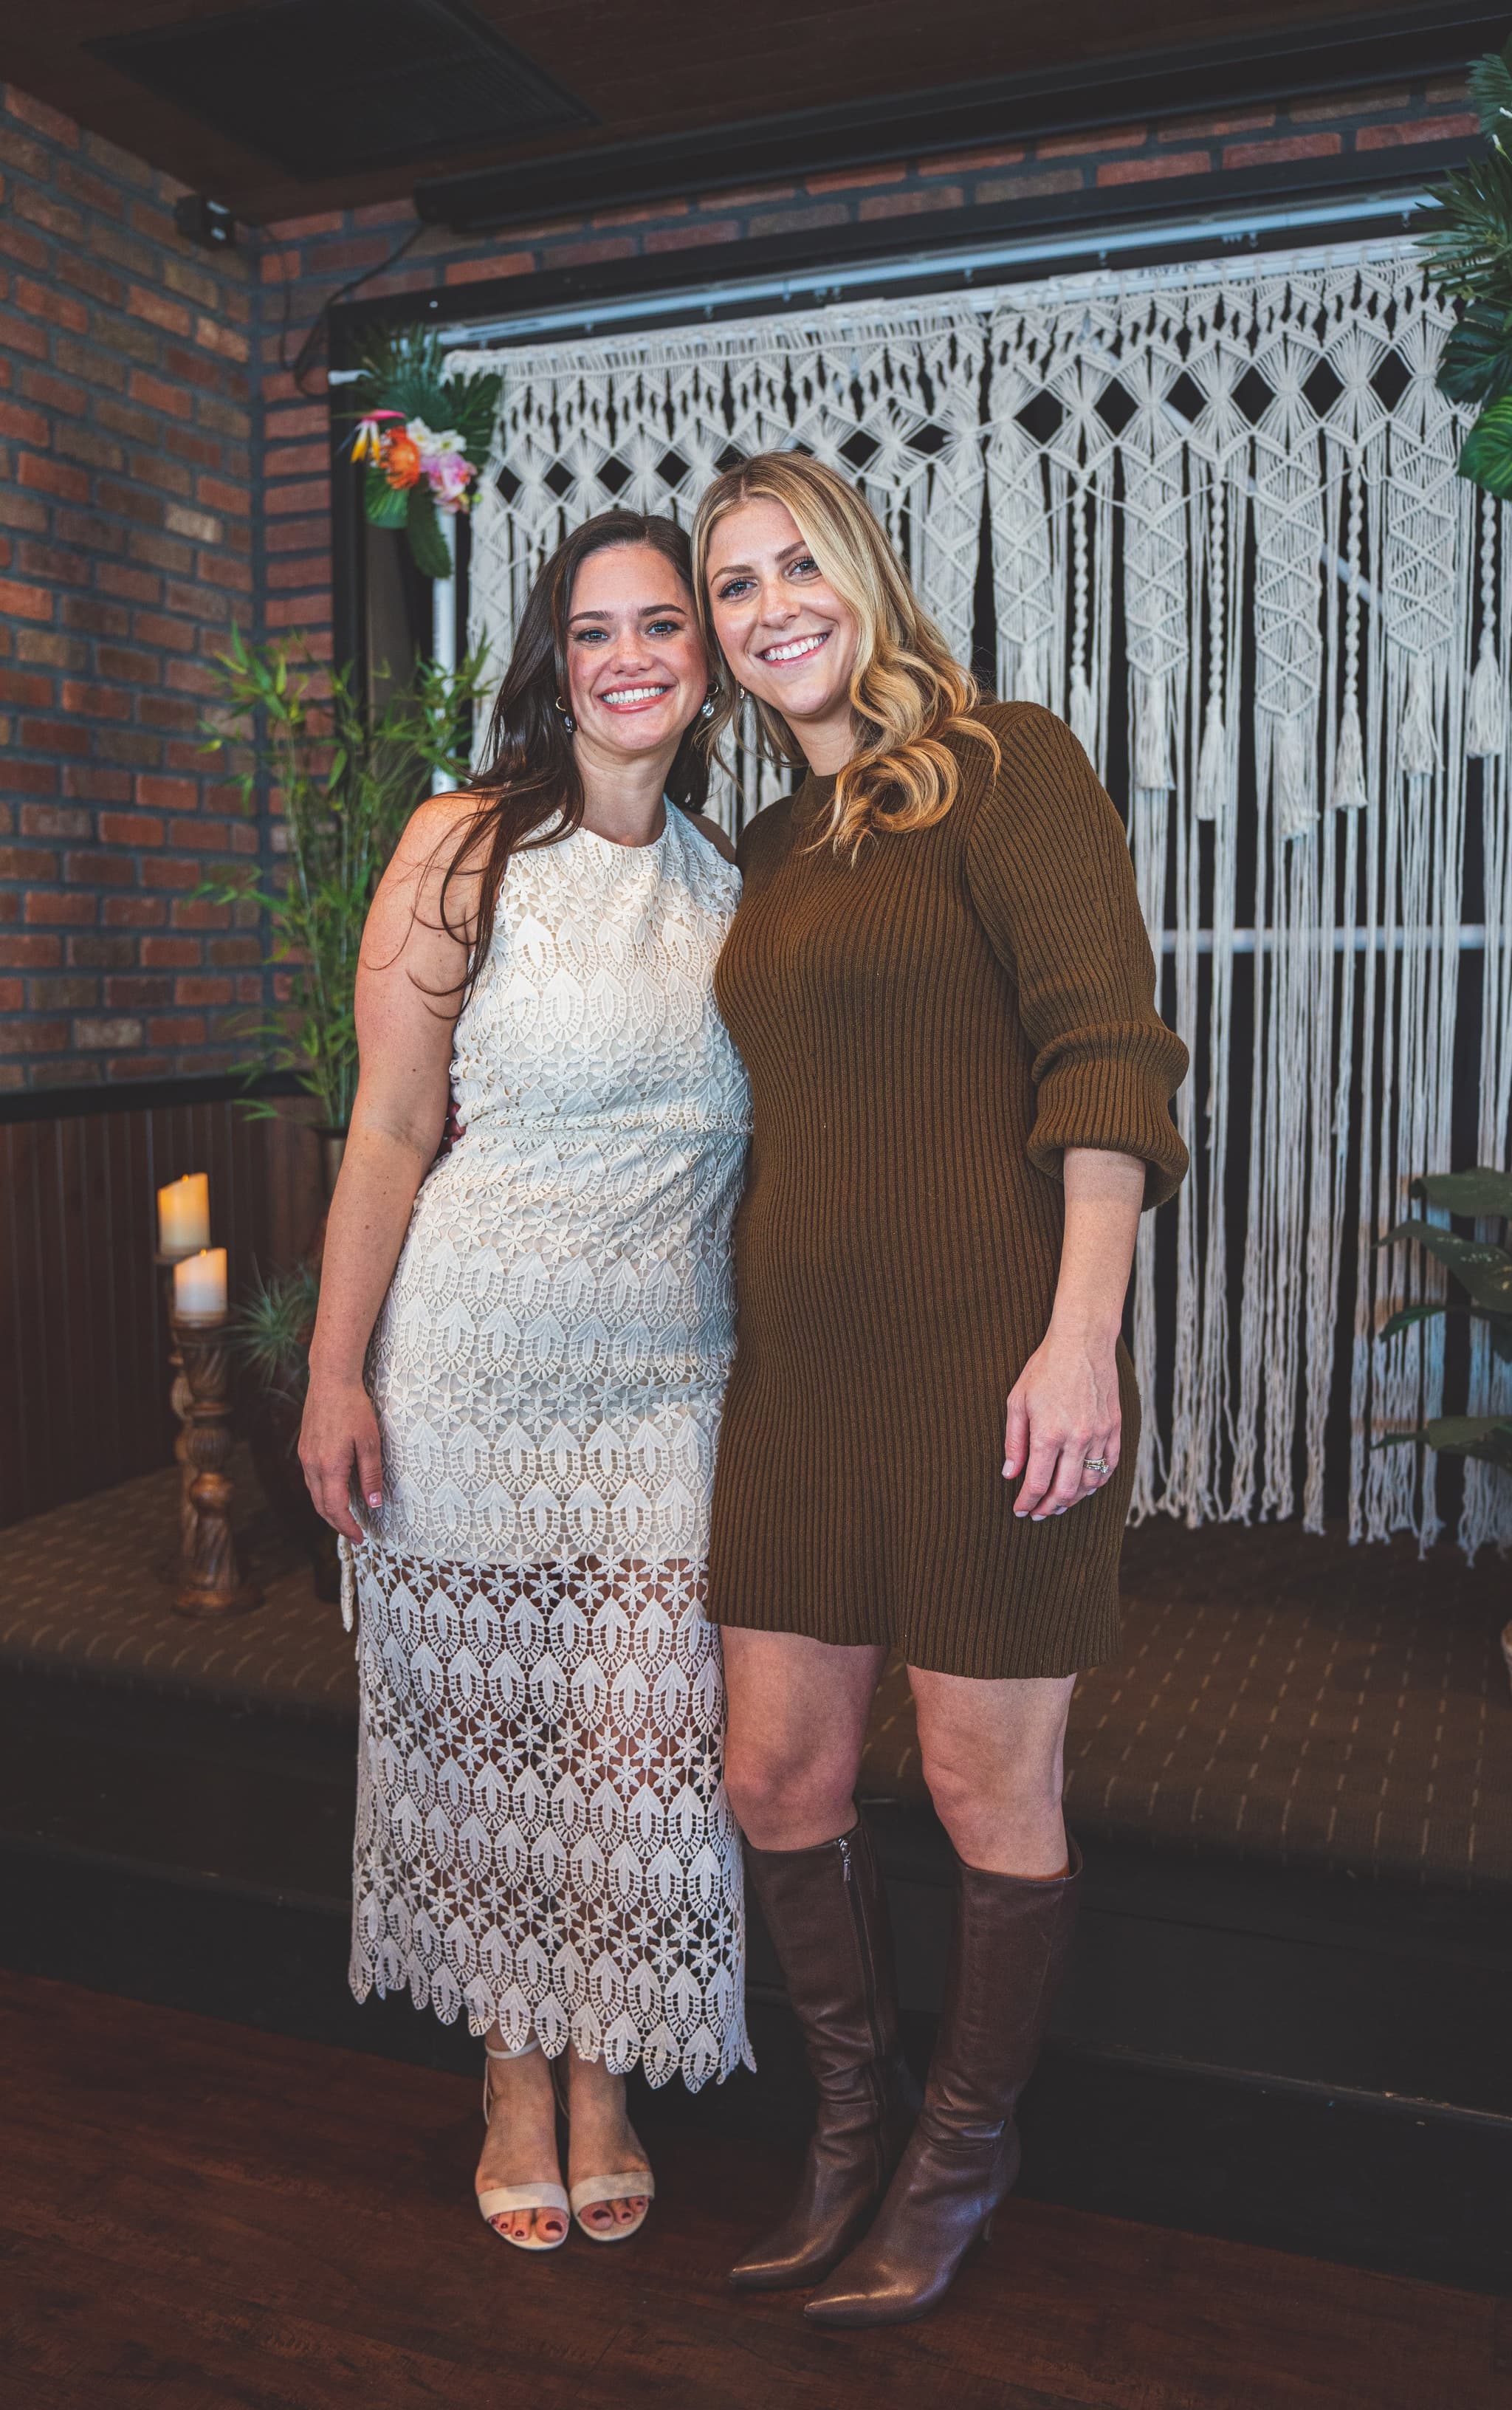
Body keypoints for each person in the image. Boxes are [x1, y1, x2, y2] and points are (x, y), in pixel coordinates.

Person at [693, 452, 1188, 2327]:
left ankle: (962, 2154)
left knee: (990, 1791)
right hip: (800, 1382)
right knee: (777, 1773)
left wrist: (1081, 1336)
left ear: (866, 574)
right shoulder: (758, 853)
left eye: (794, 564)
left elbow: (1107, 1062)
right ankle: (848, 2124)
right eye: (733, 587)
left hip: (992, 1366)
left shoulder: (1007, 765)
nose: (767, 610)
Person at [299, 510, 753, 2254]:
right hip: (475, 1364)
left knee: (633, 1746)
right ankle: (512, 2076)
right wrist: (338, 1374)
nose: (631, 656)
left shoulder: (735, 886)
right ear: (550, 665)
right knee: (488, 1762)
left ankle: (607, 2076)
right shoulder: (462, 845)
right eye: (595, 630)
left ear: (705, 668)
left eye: (664, 626)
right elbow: (393, 1127)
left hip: (667, 1392)